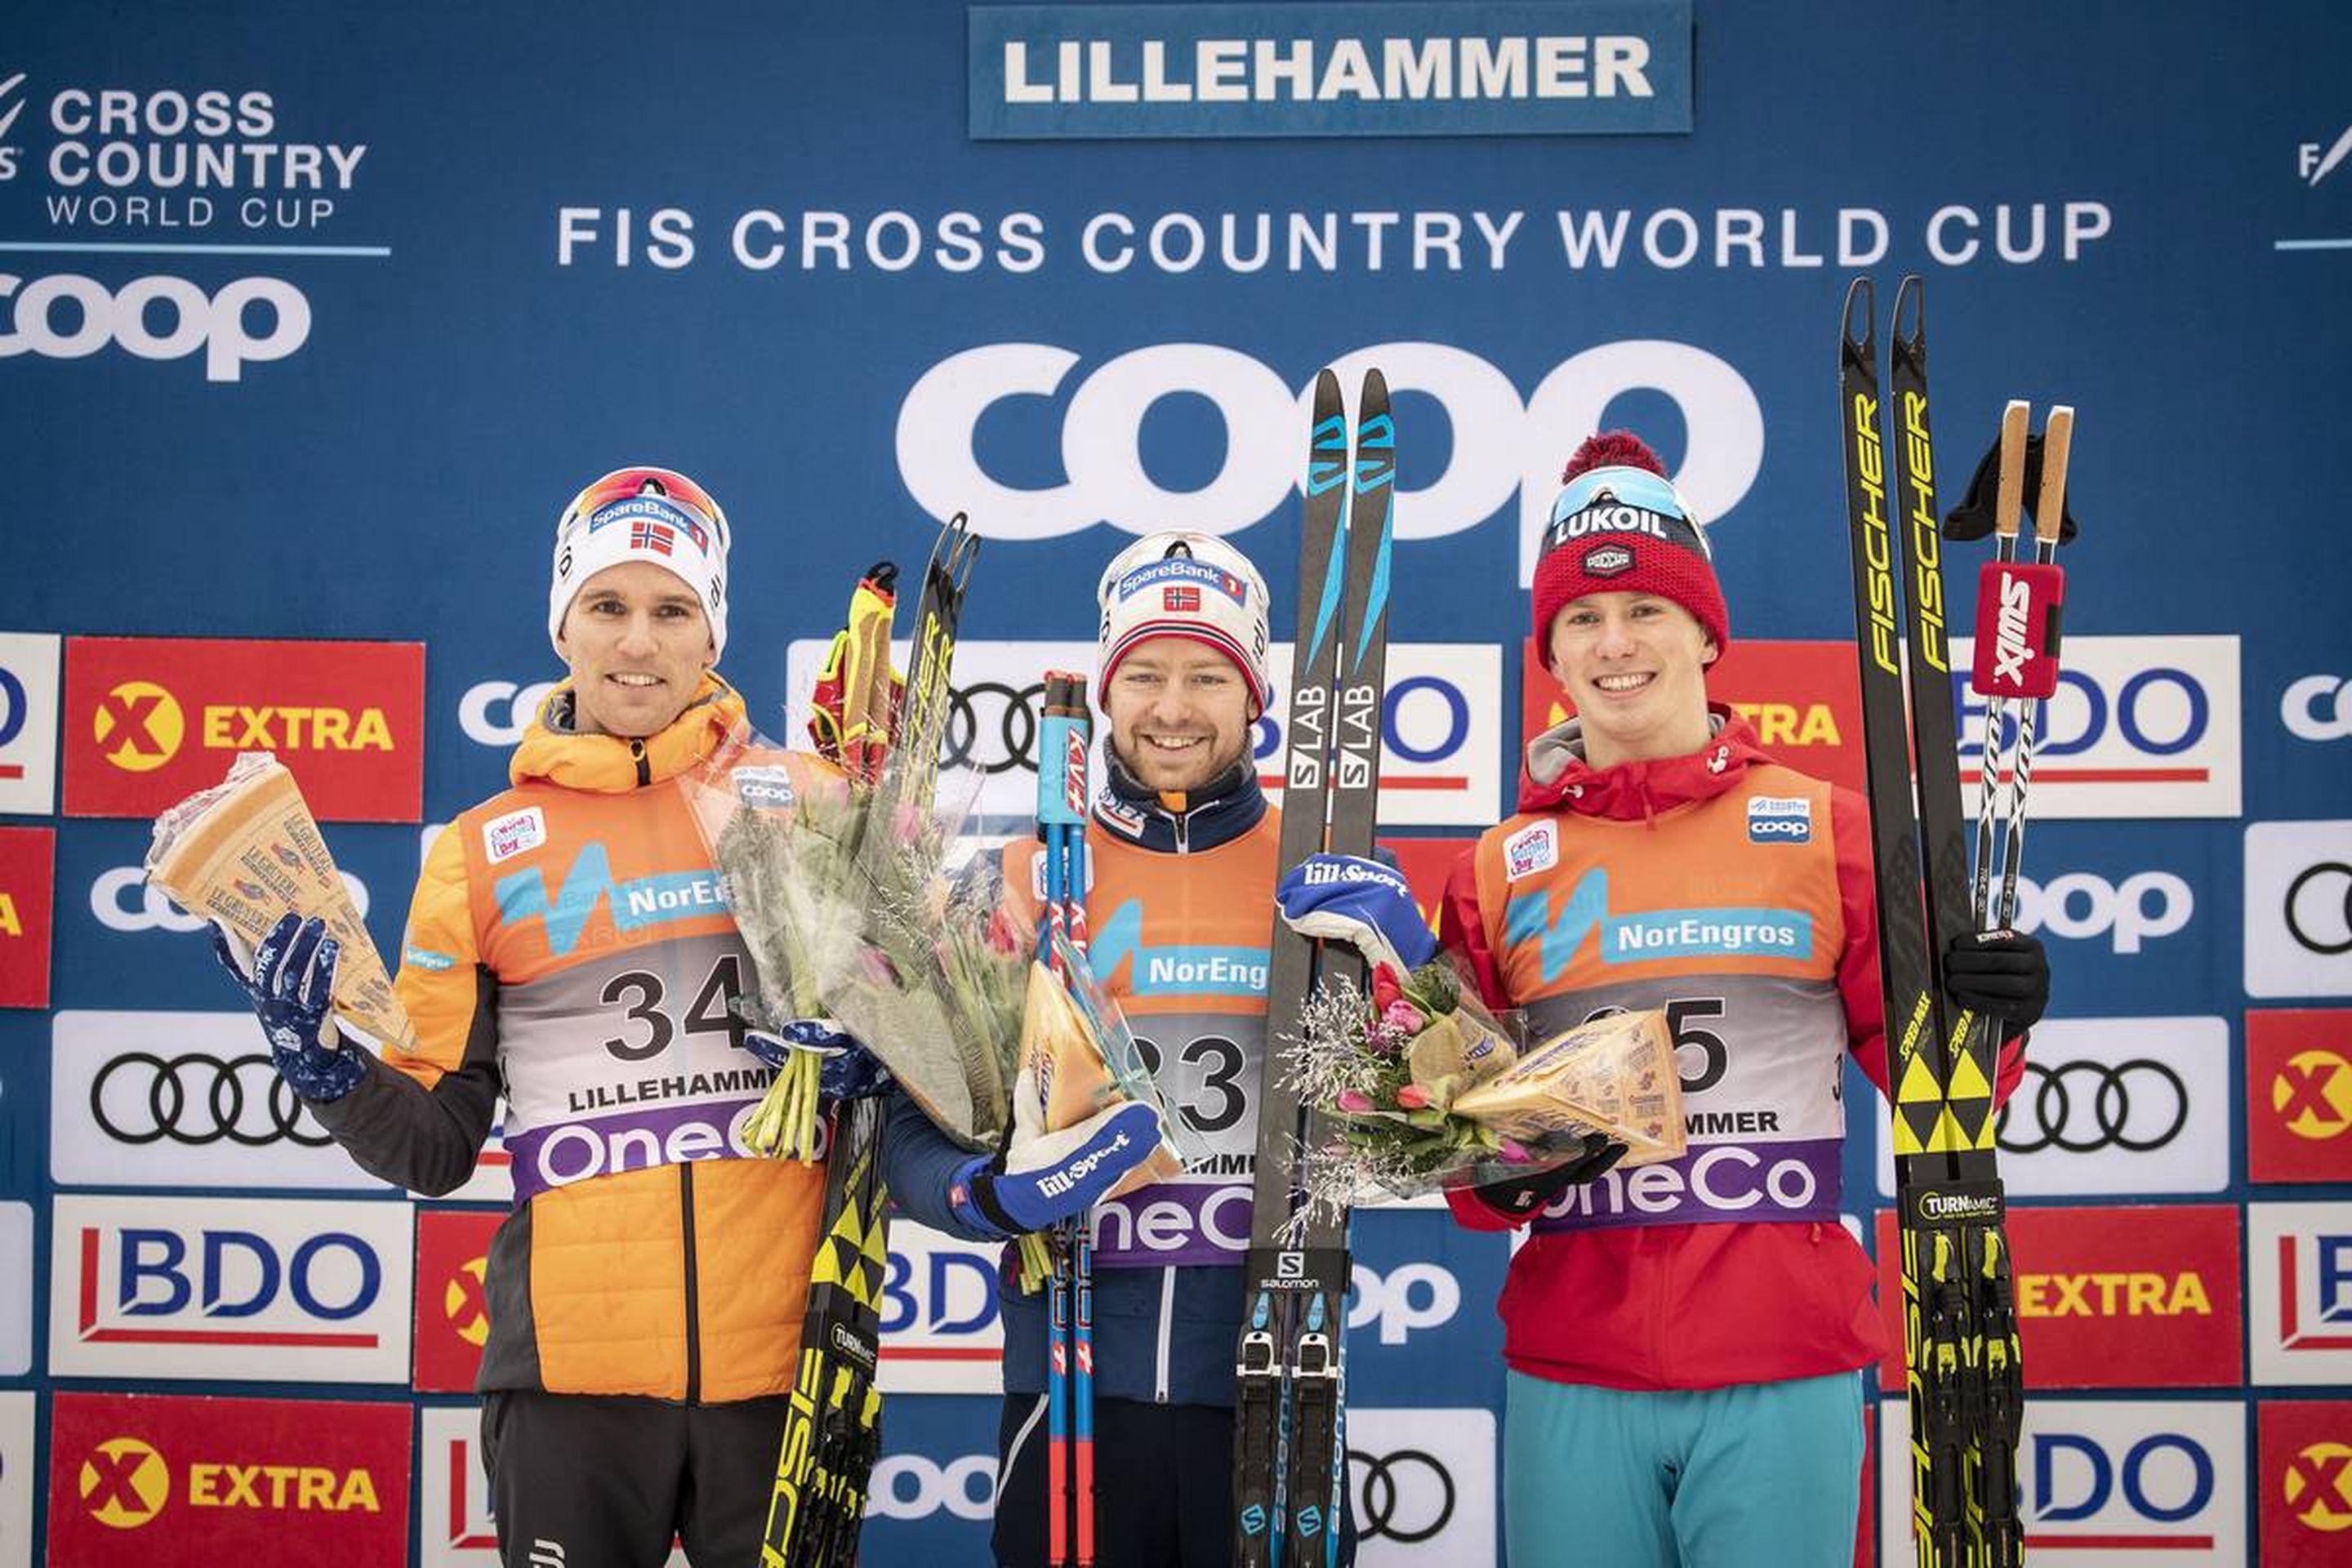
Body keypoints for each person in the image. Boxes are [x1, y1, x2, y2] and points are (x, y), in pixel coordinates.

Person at [1298, 432, 2049, 1568]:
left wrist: (1993, 1015)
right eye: (1581, 622)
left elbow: (1940, 1090)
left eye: (1646, 610)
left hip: (1783, 1355)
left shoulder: (1829, 826)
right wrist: (1405, 1030)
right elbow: (1470, 1167)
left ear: (1706, 632)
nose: (1615, 644)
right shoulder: (1504, 866)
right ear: (1548, 654)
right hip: (1575, 1359)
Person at [212, 466, 843, 1568]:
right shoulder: (480, 854)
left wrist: (878, 1061)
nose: (637, 642)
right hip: (568, 1381)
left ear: (713, 635)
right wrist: (328, 1072)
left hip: (786, 1371)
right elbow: (436, 1142)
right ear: (564, 628)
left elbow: (924, 1067)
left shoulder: (810, 807)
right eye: (607, 607)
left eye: (671, 609)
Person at [884, 530, 1352, 1568]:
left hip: (1273, 1388)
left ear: (1255, 697)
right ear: (1105, 694)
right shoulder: (1013, 882)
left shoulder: (1322, 885)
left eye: (1205, 675)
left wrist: (1411, 984)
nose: (1172, 707)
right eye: (1143, 673)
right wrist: (981, 1197)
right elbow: (907, 1130)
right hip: (1070, 1393)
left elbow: (1422, 1119)